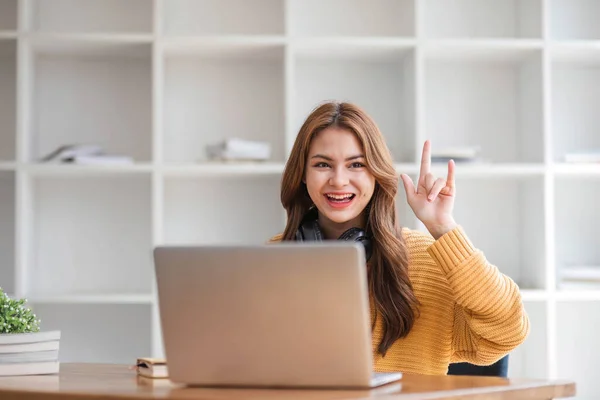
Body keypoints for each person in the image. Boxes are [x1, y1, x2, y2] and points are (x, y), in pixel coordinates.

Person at [269, 101, 530, 375]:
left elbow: (508, 331)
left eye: (356, 164)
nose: (338, 180)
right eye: (323, 164)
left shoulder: (427, 259)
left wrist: (443, 227)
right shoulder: (270, 261)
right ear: (302, 175)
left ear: (376, 173)